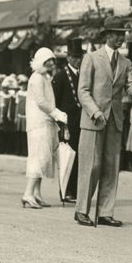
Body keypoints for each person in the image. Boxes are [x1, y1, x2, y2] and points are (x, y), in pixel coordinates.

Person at [75, 16, 132, 227]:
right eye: (117, 34)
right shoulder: (91, 58)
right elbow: (83, 91)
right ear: (107, 36)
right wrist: (94, 111)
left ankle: (104, 212)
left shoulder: (126, 63)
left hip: (114, 120)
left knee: (111, 167)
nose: (121, 37)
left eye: (123, 34)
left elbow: (131, 88)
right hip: (93, 121)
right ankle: (81, 210)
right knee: (91, 166)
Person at [22, 47, 68, 209]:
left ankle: (36, 193)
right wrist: (57, 114)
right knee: (38, 158)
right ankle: (28, 193)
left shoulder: (43, 78)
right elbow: (41, 102)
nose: (50, 64)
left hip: (45, 123)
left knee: (43, 158)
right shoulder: (37, 78)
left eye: (52, 61)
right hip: (39, 123)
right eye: (47, 61)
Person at [52, 38, 85, 203]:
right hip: (66, 123)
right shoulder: (60, 76)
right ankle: (65, 190)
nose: (78, 60)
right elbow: (55, 103)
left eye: (80, 57)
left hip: (81, 122)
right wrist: (59, 125)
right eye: (74, 57)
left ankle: (75, 189)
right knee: (67, 157)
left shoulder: (83, 74)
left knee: (78, 156)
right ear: (68, 57)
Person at [15, 75, 28, 156]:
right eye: (21, 84)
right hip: (19, 116)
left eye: (24, 84)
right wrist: (16, 116)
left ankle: (25, 150)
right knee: (19, 134)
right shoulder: (19, 93)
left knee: (25, 134)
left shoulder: (29, 93)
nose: (23, 86)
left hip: (26, 116)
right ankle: (18, 150)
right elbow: (17, 105)